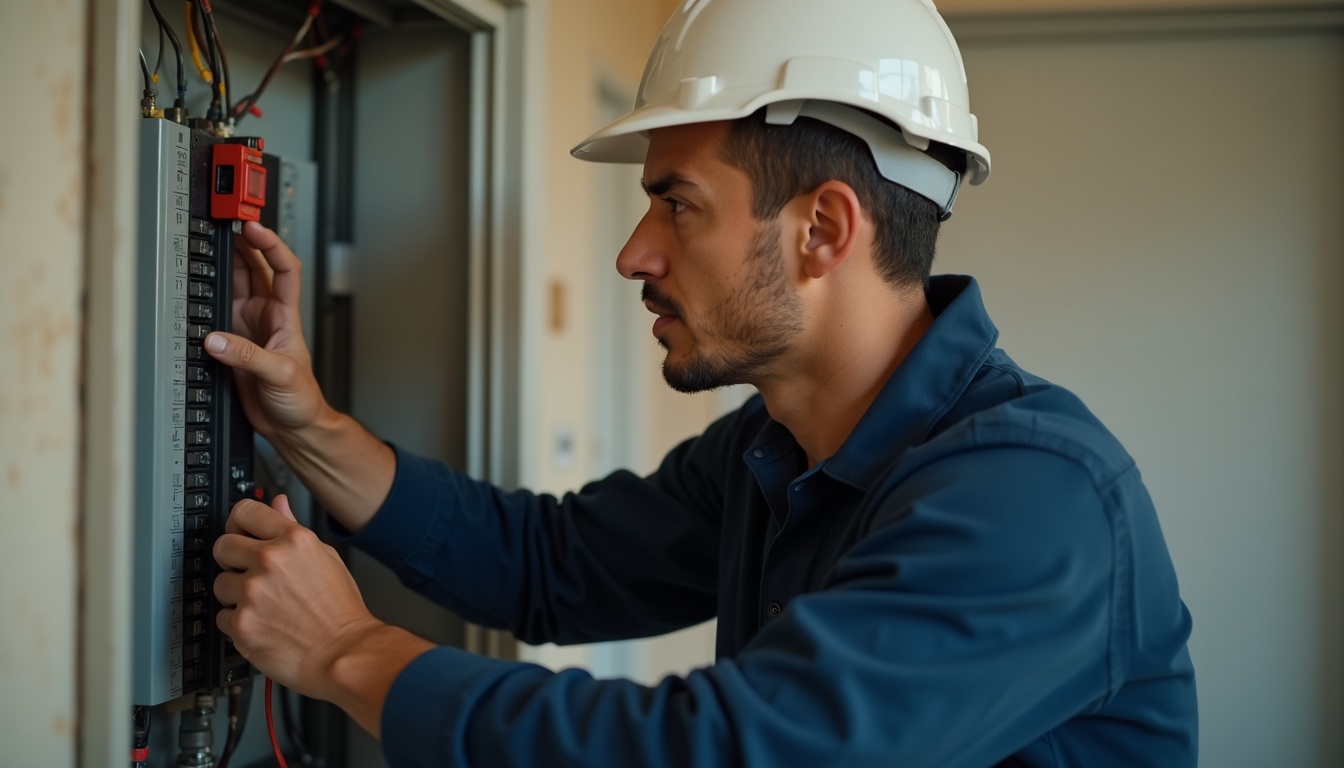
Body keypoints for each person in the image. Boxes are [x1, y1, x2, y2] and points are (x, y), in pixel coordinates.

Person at [206, 0, 1198, 765]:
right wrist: (308, 423)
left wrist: (348, 654)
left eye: (675, 205)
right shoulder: (775, 447)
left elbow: (720, 753)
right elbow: (553, 565)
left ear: (823, 229)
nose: (634, 255)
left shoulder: (1035, 499)